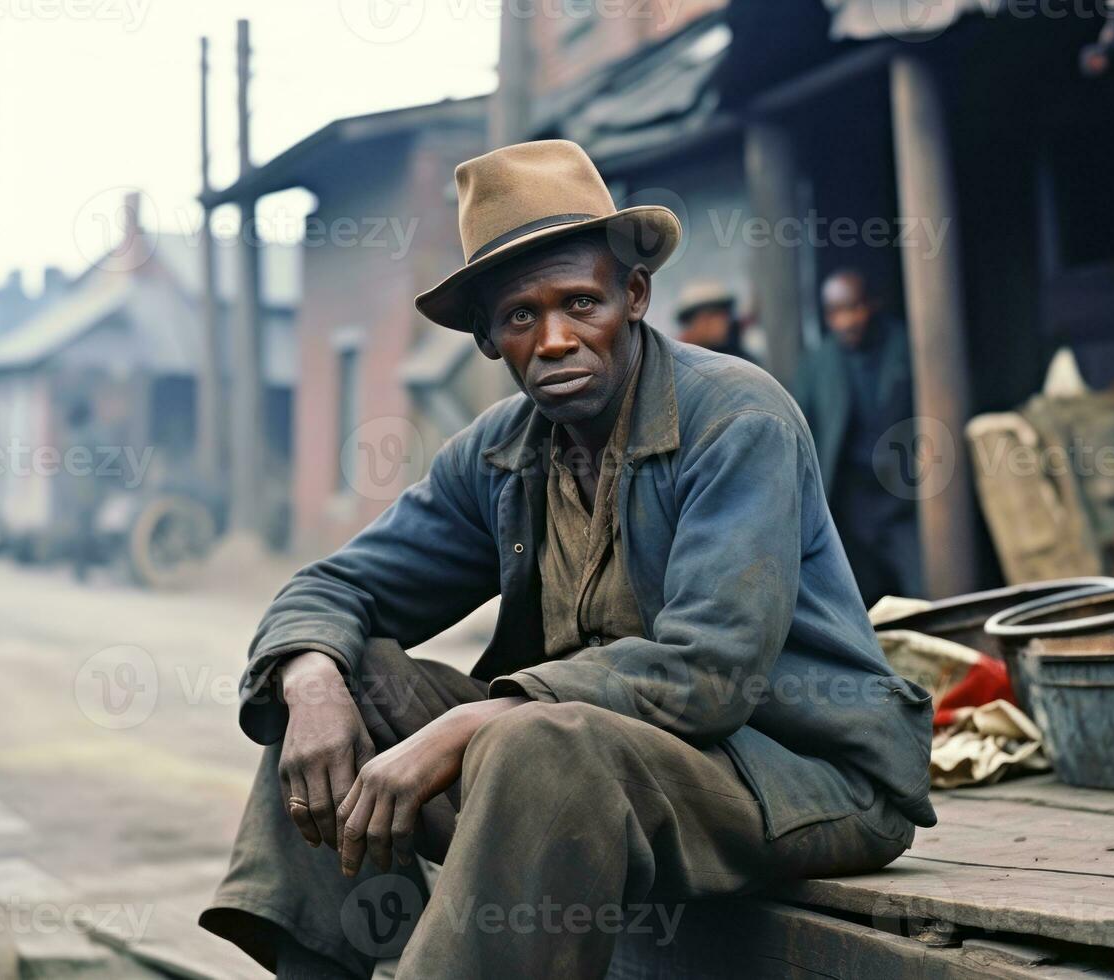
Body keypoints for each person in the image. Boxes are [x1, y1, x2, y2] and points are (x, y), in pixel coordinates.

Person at [200, 141, 934, 980]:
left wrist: (479, 717)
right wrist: (310, 680)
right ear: (487, 339)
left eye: (580, 302)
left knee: (535, 742)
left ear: (633, 296)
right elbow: (336, 586)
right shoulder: (499, 452)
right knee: (345, 684)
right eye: (519, 317)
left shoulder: (735, 418)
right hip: (580, 766)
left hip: (802, 779)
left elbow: (711, 671)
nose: (553, 340)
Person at [795, 269, 923, 607]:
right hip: (851, 501)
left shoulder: (907, 347)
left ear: (872, 304)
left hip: (903, 495)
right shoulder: (818, 364)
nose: (846, 321)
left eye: (853, 308)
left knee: (922, 586)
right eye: (835, 312)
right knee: (859, 600)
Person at [673, 280, 753, 361]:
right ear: (690, 323)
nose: (718, 322)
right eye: (710, 315)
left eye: (723, 314)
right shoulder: (677, 361)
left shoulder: (742, 360)